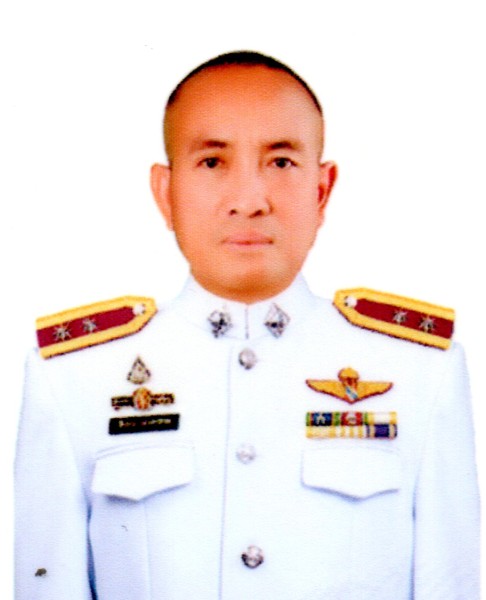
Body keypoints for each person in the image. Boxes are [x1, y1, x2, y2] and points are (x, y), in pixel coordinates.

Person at [15, 51, 479, 600]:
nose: (249, 201)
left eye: (280, 162)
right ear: (166, 193)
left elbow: (451, 584)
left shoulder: (420, 371)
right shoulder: (75, 377)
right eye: (213, 162)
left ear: (322, 190)